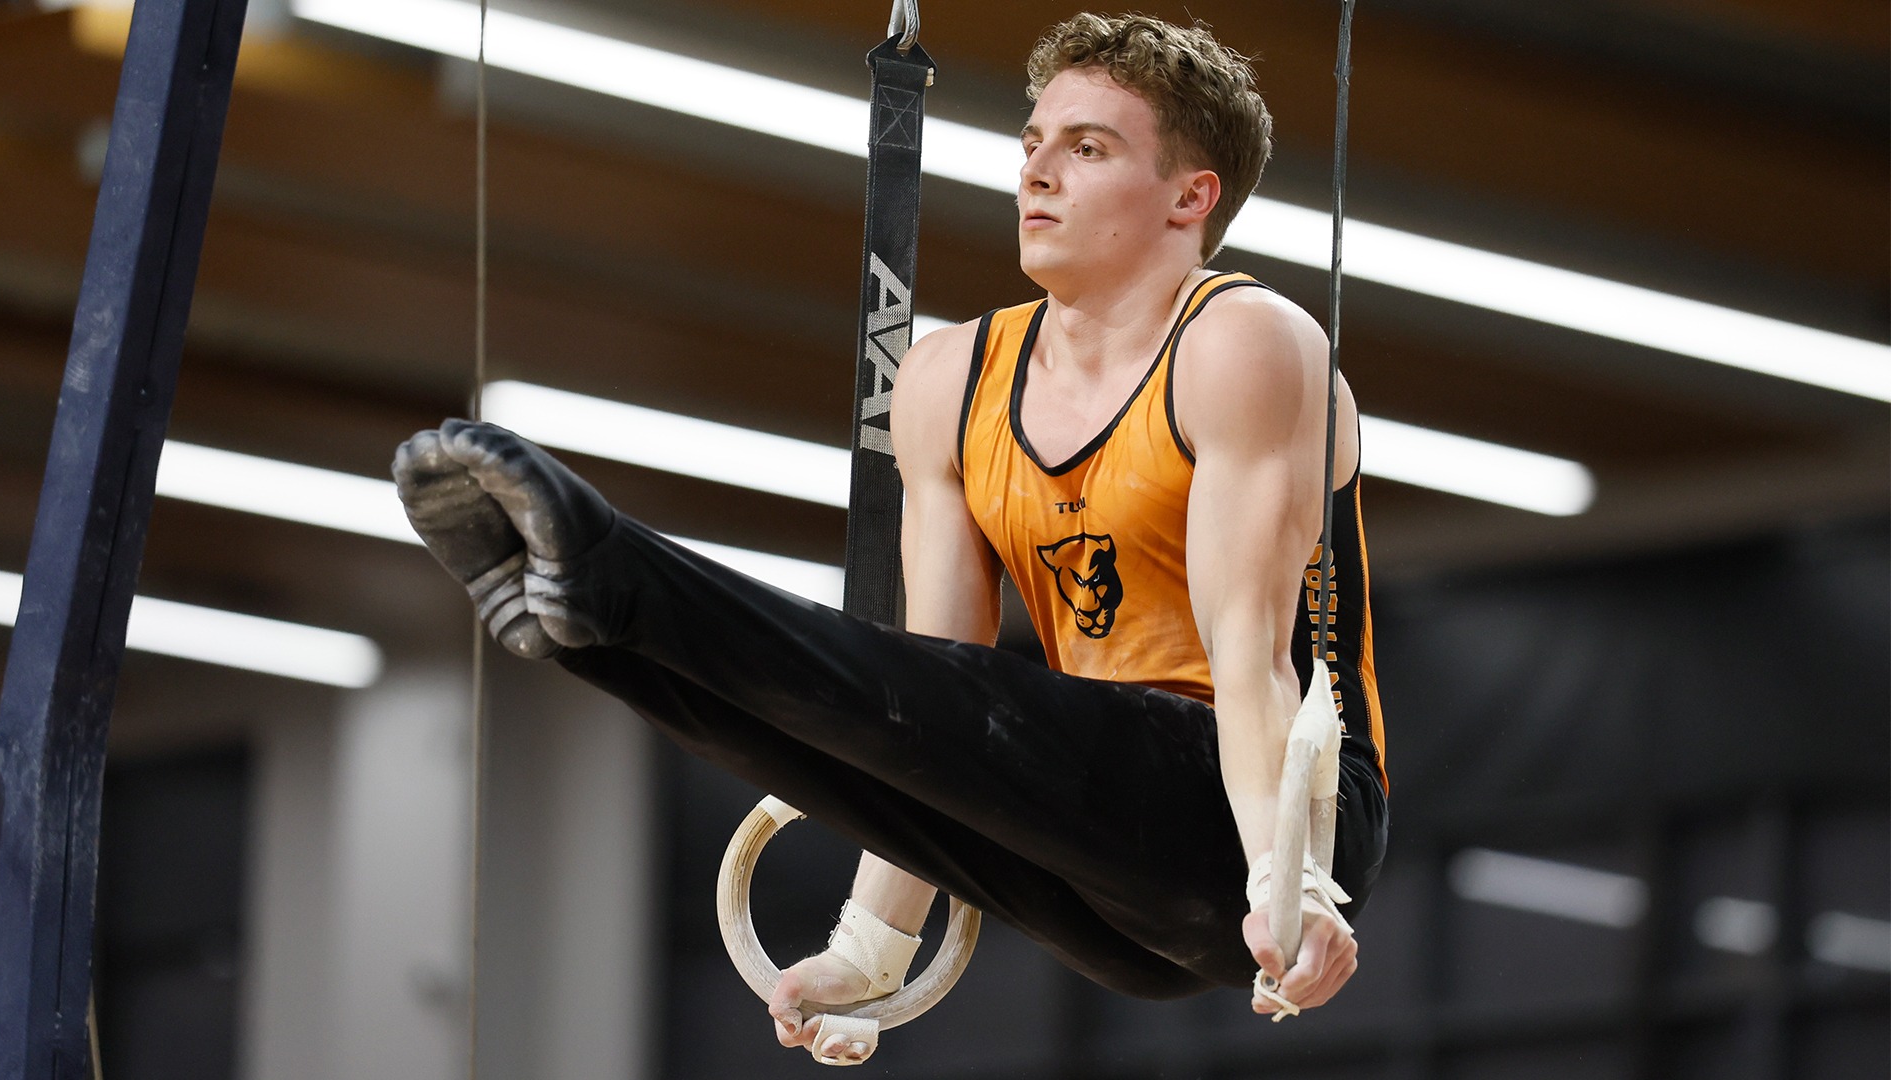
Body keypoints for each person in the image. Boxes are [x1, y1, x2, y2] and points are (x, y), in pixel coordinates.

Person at [394, 12, 1386, 1065]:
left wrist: (1294, 879)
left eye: (1087, 149)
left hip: (1251, 816)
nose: (1038, 172)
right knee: (839, 718)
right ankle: (586, 631)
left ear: (1192, 197)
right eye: (1032, 143)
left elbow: (1252, 657)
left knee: (925, 695)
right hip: (1095, 878)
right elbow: (922, 704)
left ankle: (610, 573)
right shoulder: (950, 380)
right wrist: (870, 948)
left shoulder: (1245, 344)